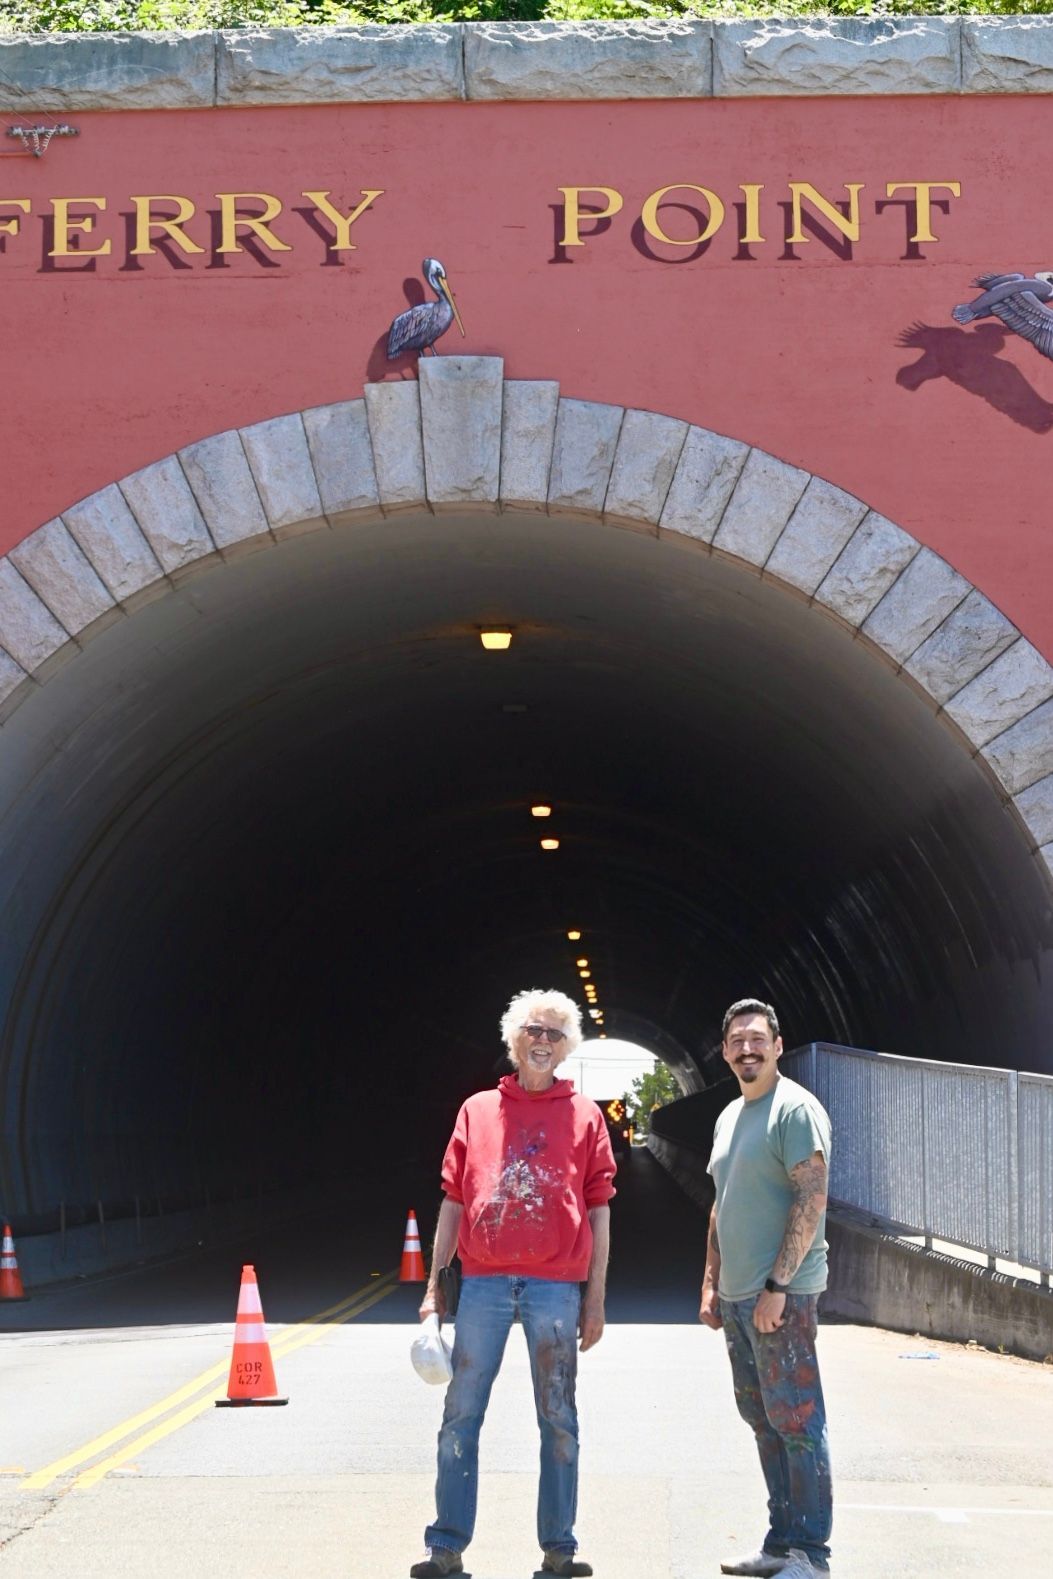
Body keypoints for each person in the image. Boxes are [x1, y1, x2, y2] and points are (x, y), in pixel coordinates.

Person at [410, 988, 617, 1579]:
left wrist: (595, 1298)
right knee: (461, 1413)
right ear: (514, 1039)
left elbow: (599, 1209)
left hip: (556, 1287)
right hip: (483, 1284)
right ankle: (445, 1547)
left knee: (558, 1417)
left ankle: (559, 1550)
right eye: (533, 1030)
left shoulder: (585, 1116)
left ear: (567, 1046)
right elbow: (453, 1200)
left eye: (554, 1033)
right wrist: (434, 1288)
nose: (543, 1041)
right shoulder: (477, 1110)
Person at [699, 999, 833, 1579]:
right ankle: (781, 1543)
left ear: (778, 1046)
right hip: (737, 1296)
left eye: (757, 1039)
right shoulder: (730, 1116)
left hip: (781, 1295)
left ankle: (811, 1554)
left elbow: (812, 1196)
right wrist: (711, 1282)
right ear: (725, 1052)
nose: (747, 1049)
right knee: (763, 1418)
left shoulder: (794, 1110)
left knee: (797, 1421)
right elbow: (721, 1203)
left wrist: (779, 1284)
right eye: (737, 1041)